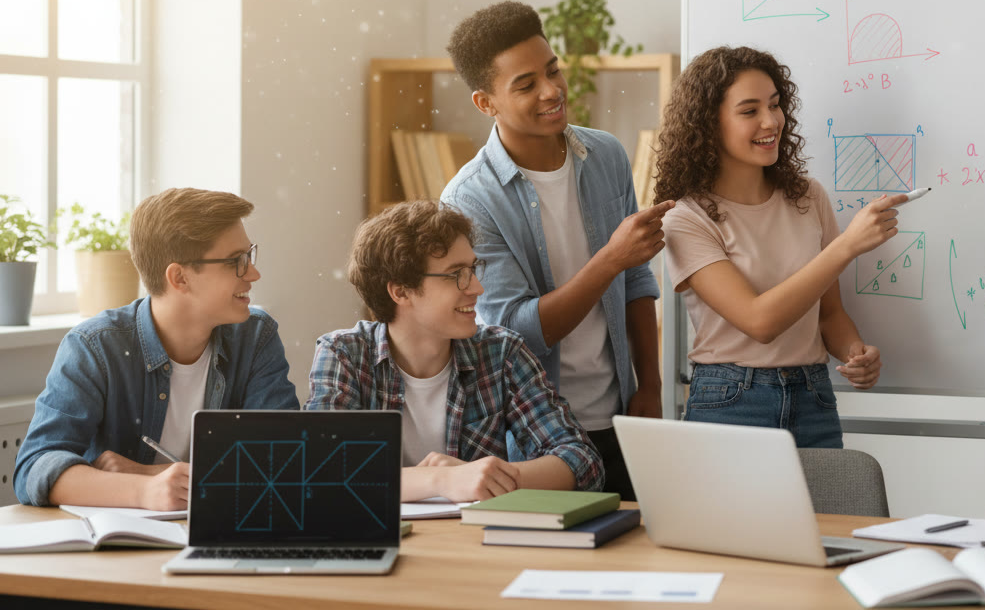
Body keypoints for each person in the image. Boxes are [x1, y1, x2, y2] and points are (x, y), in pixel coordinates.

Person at [441, 0, 668, 500]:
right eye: (525, 85)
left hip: (624, 417)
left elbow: (637, 280)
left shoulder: (604, 154)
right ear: (486, 102)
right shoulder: (469, 200)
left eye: (553, 71)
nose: (551, 91)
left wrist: (649, 386)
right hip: (536, 438)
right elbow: (518, 330)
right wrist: (612, 257)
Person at [655, 46, 903, 448]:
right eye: (749, 110)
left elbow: (829, 315)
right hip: (730, 402)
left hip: (814, 396)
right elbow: (760, 322)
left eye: (774, 104)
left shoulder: (808, 196)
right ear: (708, 124)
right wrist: (847, 247)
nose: (771, 121)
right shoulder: (686, 218)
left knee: (829, 514)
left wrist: (854, 351)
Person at [15, 189, 299, 509]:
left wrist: (146, 473)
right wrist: (143, 491)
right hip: (121, 546)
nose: (253, 273)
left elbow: (284, 463)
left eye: (250, 255)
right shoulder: (95, 347)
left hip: (228, 530)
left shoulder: (256, 337)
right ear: (179, 278)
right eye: (236, 261)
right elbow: (34, 468)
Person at [306, 200, 603, 502]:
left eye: (473, 269)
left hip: (475, 541)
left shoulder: (502, 352)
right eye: (456, 274)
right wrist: (440, 480)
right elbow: (320, 471)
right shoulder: (344, 354)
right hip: (378, 539)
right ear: (400, 291)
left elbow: (583, 462)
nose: (476, 288)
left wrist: (489, 477)